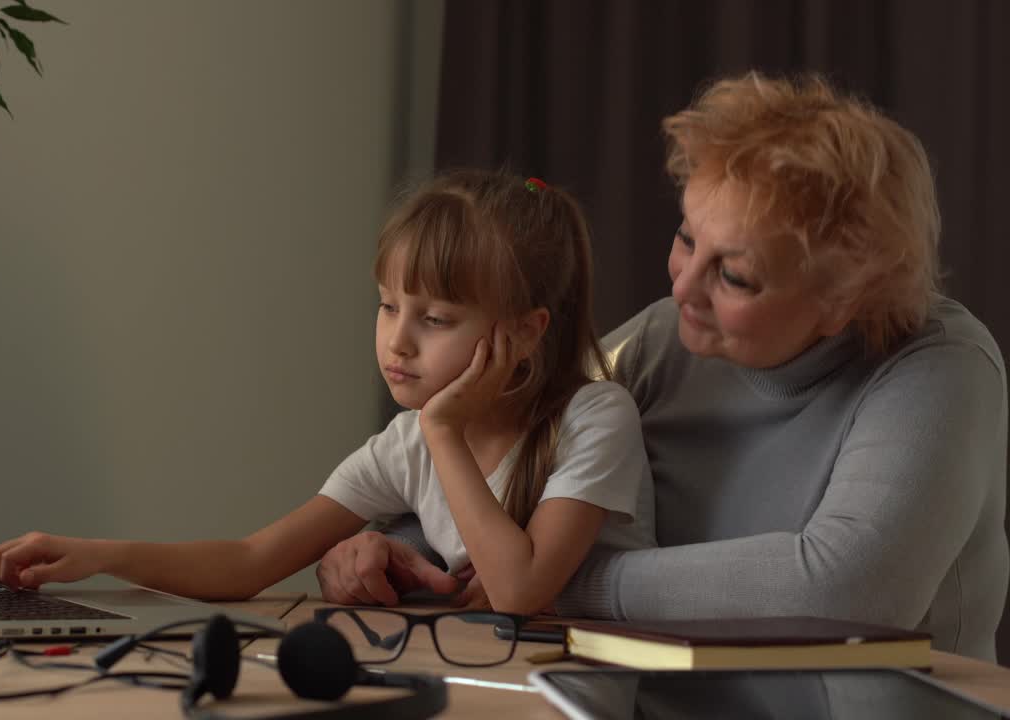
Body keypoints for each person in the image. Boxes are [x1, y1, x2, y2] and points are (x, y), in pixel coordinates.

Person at [316, 72, 1009, 661]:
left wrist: (566, 579)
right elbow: (509, 469)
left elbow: (844, 591)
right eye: (685, 238)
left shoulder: (939, 369)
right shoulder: (664, 336)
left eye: (734, 276)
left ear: (843, 299)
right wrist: (383, 548)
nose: (681, 287)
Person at [0, 169, 654, 616]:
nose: (397, 342)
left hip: (572, 696)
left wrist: (444, 431)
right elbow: (250, 562)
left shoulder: (594, 418)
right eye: (388, 306)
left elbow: (519, 591)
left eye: (435, 319)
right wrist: (98, 556)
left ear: (524, 333)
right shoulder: (407, 445)